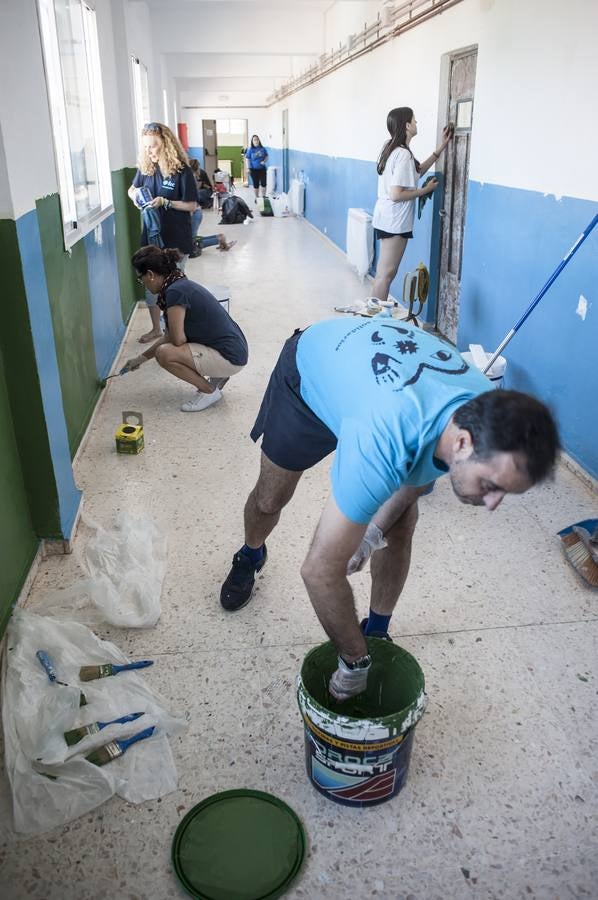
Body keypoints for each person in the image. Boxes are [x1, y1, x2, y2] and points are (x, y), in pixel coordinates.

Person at [219, 317, 559, 700]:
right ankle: (251, 553)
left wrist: (371, 535)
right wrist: (353, 659)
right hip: (309, 375)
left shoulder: (477, 408)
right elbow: (318, 572)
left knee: (400, 523)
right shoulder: (387, 434)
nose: (493, 504)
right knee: (270, 498)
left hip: (371, 388)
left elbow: (416, 479)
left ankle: (377, 628)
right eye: (492, 486)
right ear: (463, 443)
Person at [126, 246, 248, 413]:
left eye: (141, 279)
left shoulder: (175, 292)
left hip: (230, 357)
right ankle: (217, 374)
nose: (143, 284)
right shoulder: (178, 283)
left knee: (165, 354)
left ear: (151, 275)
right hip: (234, 349)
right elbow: (170, 336)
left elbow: (176, 340)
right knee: (167, 348)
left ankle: (209, 391)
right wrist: (139, 360)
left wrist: (144, 357)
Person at [371, 108, 452, 304]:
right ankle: (372, 318)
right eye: (414, 120)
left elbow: (417, 171)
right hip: (395, 221)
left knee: (384, 272)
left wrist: (441, 147)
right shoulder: (403, 155)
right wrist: (425, 191)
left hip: (385, 218)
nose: (417, 123)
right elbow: (396, 194)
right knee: (386, 274)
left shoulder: (391, 148)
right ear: (407, 125)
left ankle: (372, 315)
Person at [128, 122, 198, 344]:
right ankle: (157, 329)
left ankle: (175, 331)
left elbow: (191, 206)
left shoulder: (181, 171)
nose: (150, 151)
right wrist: (135, 196)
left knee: (174, 286)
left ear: (166, 144)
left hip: (176, 238)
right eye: (146, 147)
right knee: (151, 283)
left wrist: (167, 202)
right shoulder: (146, 169)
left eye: (154, 146)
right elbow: (132, 189)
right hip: (151, 238)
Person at [245, 135, 269, 203]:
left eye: (257, 139)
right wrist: (248, 168)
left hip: (262, 169)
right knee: (256, 184)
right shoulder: (250, 149)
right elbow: (247, 159)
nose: (256, 141)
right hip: (253, 170)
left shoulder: (262, 149)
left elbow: (267, 156)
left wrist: (264, 161)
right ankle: (257, 197)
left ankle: (264, 197)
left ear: (259, 140)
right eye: (254, 140)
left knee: (264, 183)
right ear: (252, 141)